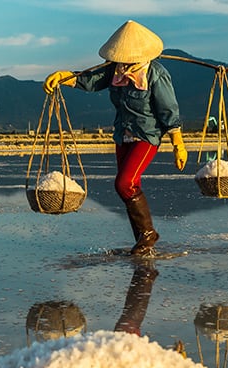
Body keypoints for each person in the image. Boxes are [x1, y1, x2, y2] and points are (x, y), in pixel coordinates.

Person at [43, 20, 187, 256]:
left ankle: (148, 234)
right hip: (123, 135)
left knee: (124, 183)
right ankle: (143, 238)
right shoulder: (115, 70)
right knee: (131, 186)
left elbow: (168, 109)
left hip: (146, 136)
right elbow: (90, 81)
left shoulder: (155, 73)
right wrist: (64, 77)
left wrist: (178, 144)